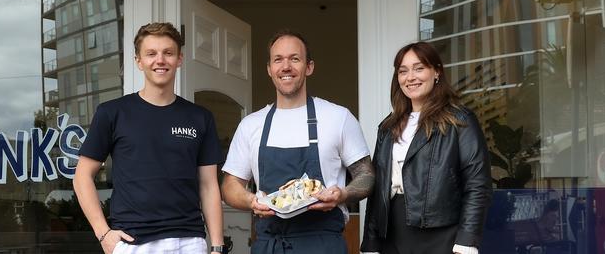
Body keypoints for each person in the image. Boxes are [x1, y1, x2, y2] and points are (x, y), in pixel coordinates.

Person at [73, 22, 226, 254]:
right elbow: (82, 176)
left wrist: (217, 245)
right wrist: (103, 233)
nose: (160, 60)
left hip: (189, 240)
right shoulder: (112, 113)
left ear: (179, 59)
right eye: (151, 53)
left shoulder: (200, 117)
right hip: (133, 242)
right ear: (138, 61)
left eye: (168, 53)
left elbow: (208, 185)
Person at [221, 29, 375, 254]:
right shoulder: (251, 125)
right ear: (269, 69)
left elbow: (367, 176)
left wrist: (342, 194)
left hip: (323, 244)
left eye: (295, 59)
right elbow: (230, 186)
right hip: (270, 244)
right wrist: (251, 201)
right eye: (278, 60)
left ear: (309, 67)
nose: (286, 67)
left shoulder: (338, 117)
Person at [361, 41, 492, 254]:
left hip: (441, 235)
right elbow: (378, 192)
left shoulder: (459, 120)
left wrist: (467, 240)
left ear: (436, 72)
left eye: (419, 68)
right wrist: (370, 243)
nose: (410, 77)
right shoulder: (387, 127)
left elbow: (478, 185)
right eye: (403, 71)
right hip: (392, 234)